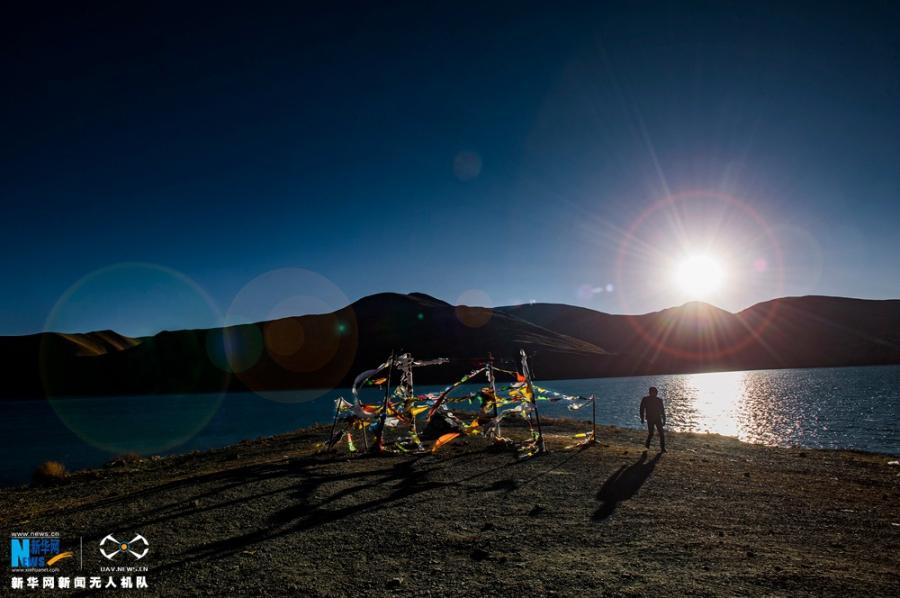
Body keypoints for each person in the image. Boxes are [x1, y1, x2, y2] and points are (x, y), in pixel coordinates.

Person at [640, 386, 667, 452]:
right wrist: (642, 418)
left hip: (658, 418)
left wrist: (664, 419)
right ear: (650, 392)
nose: (656, 393)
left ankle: (663, 448)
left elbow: (662, 410)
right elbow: (641, 409)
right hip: (650, 419)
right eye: (654, 392)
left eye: (656, 392)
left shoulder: (659, 400)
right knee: (651, 433)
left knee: (661, 433)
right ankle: (647, 446)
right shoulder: (645, 399)